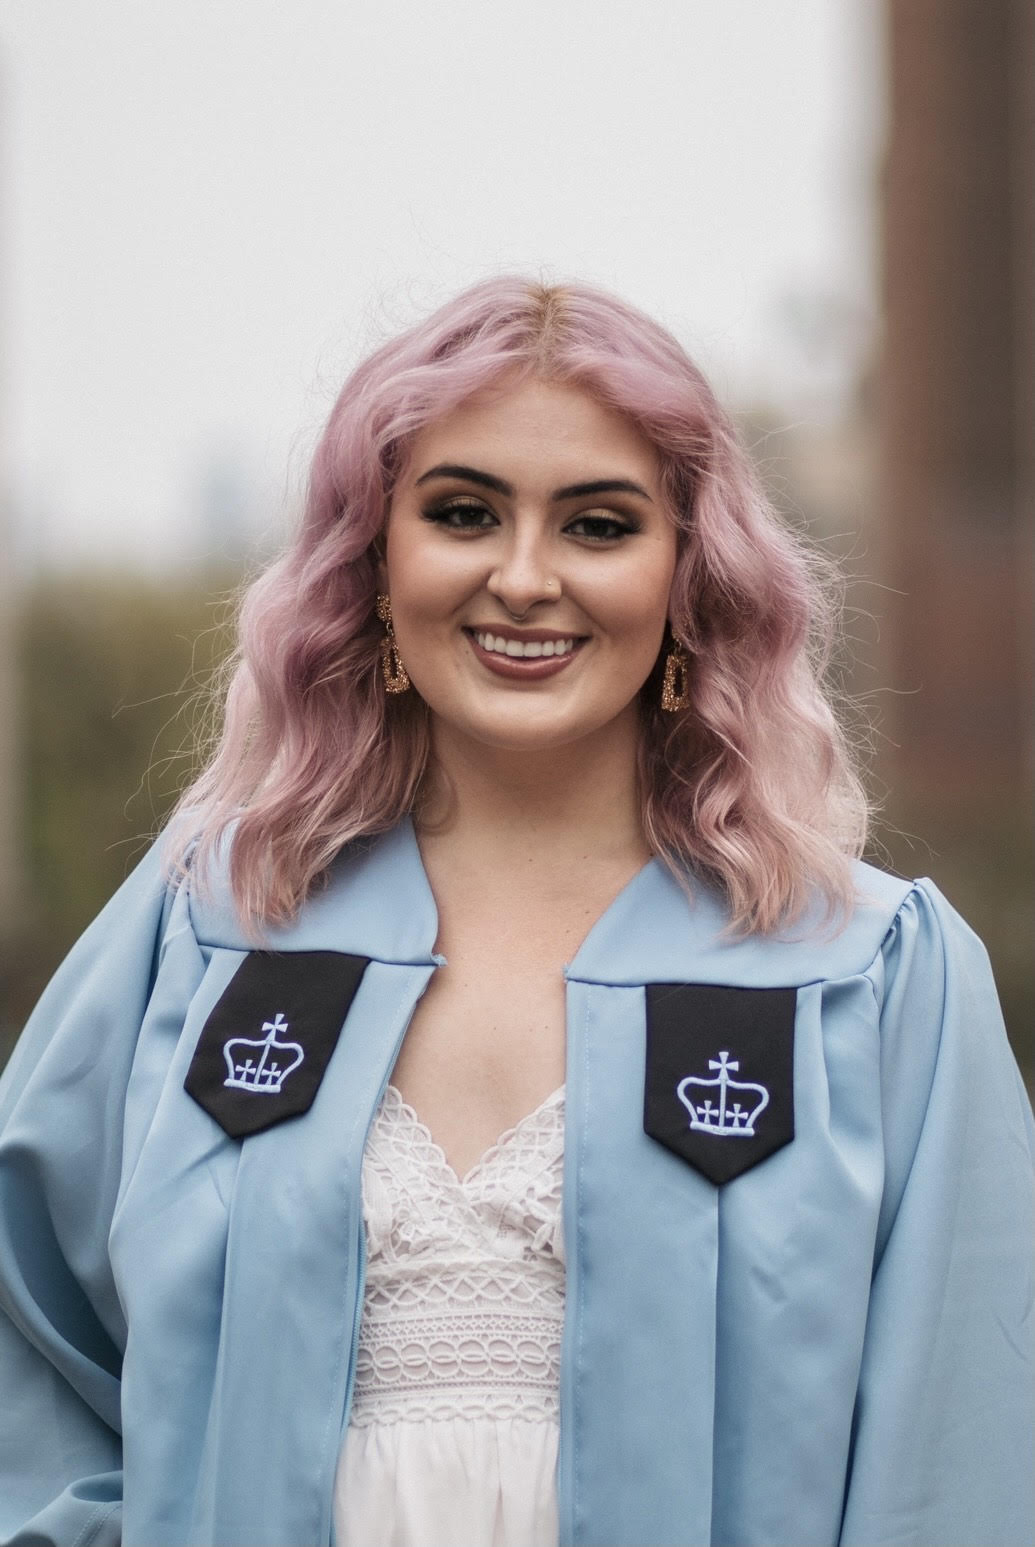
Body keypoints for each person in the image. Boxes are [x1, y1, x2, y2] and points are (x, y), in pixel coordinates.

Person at [0, 275, 1032, 1547]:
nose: (525, 576)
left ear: (689, 576)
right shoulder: (210, 932)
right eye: (462, 512)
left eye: (599, 524)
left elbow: (960, 1457)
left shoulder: (868, 975)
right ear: (375, 558)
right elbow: (28, 1359)